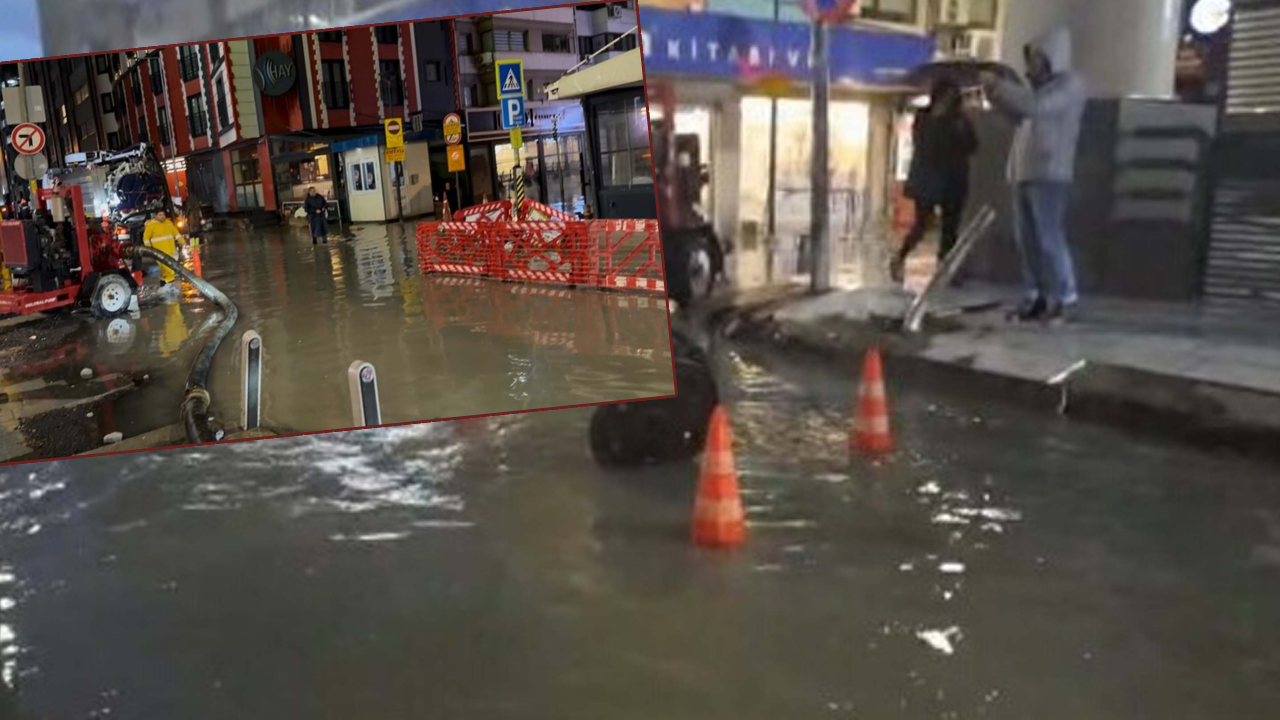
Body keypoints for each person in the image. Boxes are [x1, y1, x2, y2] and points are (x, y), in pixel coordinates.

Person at [983, 26, 1088, 324]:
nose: (1030, 66)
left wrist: (1001, 87)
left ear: (1051, 58)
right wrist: (996, 96)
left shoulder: (1070, 86)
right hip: (1024, 173)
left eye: (1035, 59)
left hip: (1050, 173)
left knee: (1049, 238)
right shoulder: (1037, 91)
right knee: (1028, 242)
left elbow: (1036, 109)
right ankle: (1037, 296)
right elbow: (1018, 115)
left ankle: (1065, 298)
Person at [891, 78, 978, 284]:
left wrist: (961, 127)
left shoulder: (960, 120)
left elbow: (972, 146)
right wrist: (940, 124)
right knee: (923, 224)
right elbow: (923, 145)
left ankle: (946, 270)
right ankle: (900, 257)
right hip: (928, 178)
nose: (948, 101)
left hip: (953, 179)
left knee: (950, 228)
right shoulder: (924, 117)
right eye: (945, 95)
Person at [142, 208, 183, 287]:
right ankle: (170, 287)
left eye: (163, 214)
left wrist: (182, 241)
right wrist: (150, 250)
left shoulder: (168, 223)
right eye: (160, 215)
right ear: (155, 216)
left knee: (166, 271)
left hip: (172, 251)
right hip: (160, 253)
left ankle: (163, 285)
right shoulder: (151, 225)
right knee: (169, 270)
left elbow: (176, 233)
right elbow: (146, 239)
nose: (162, 216)